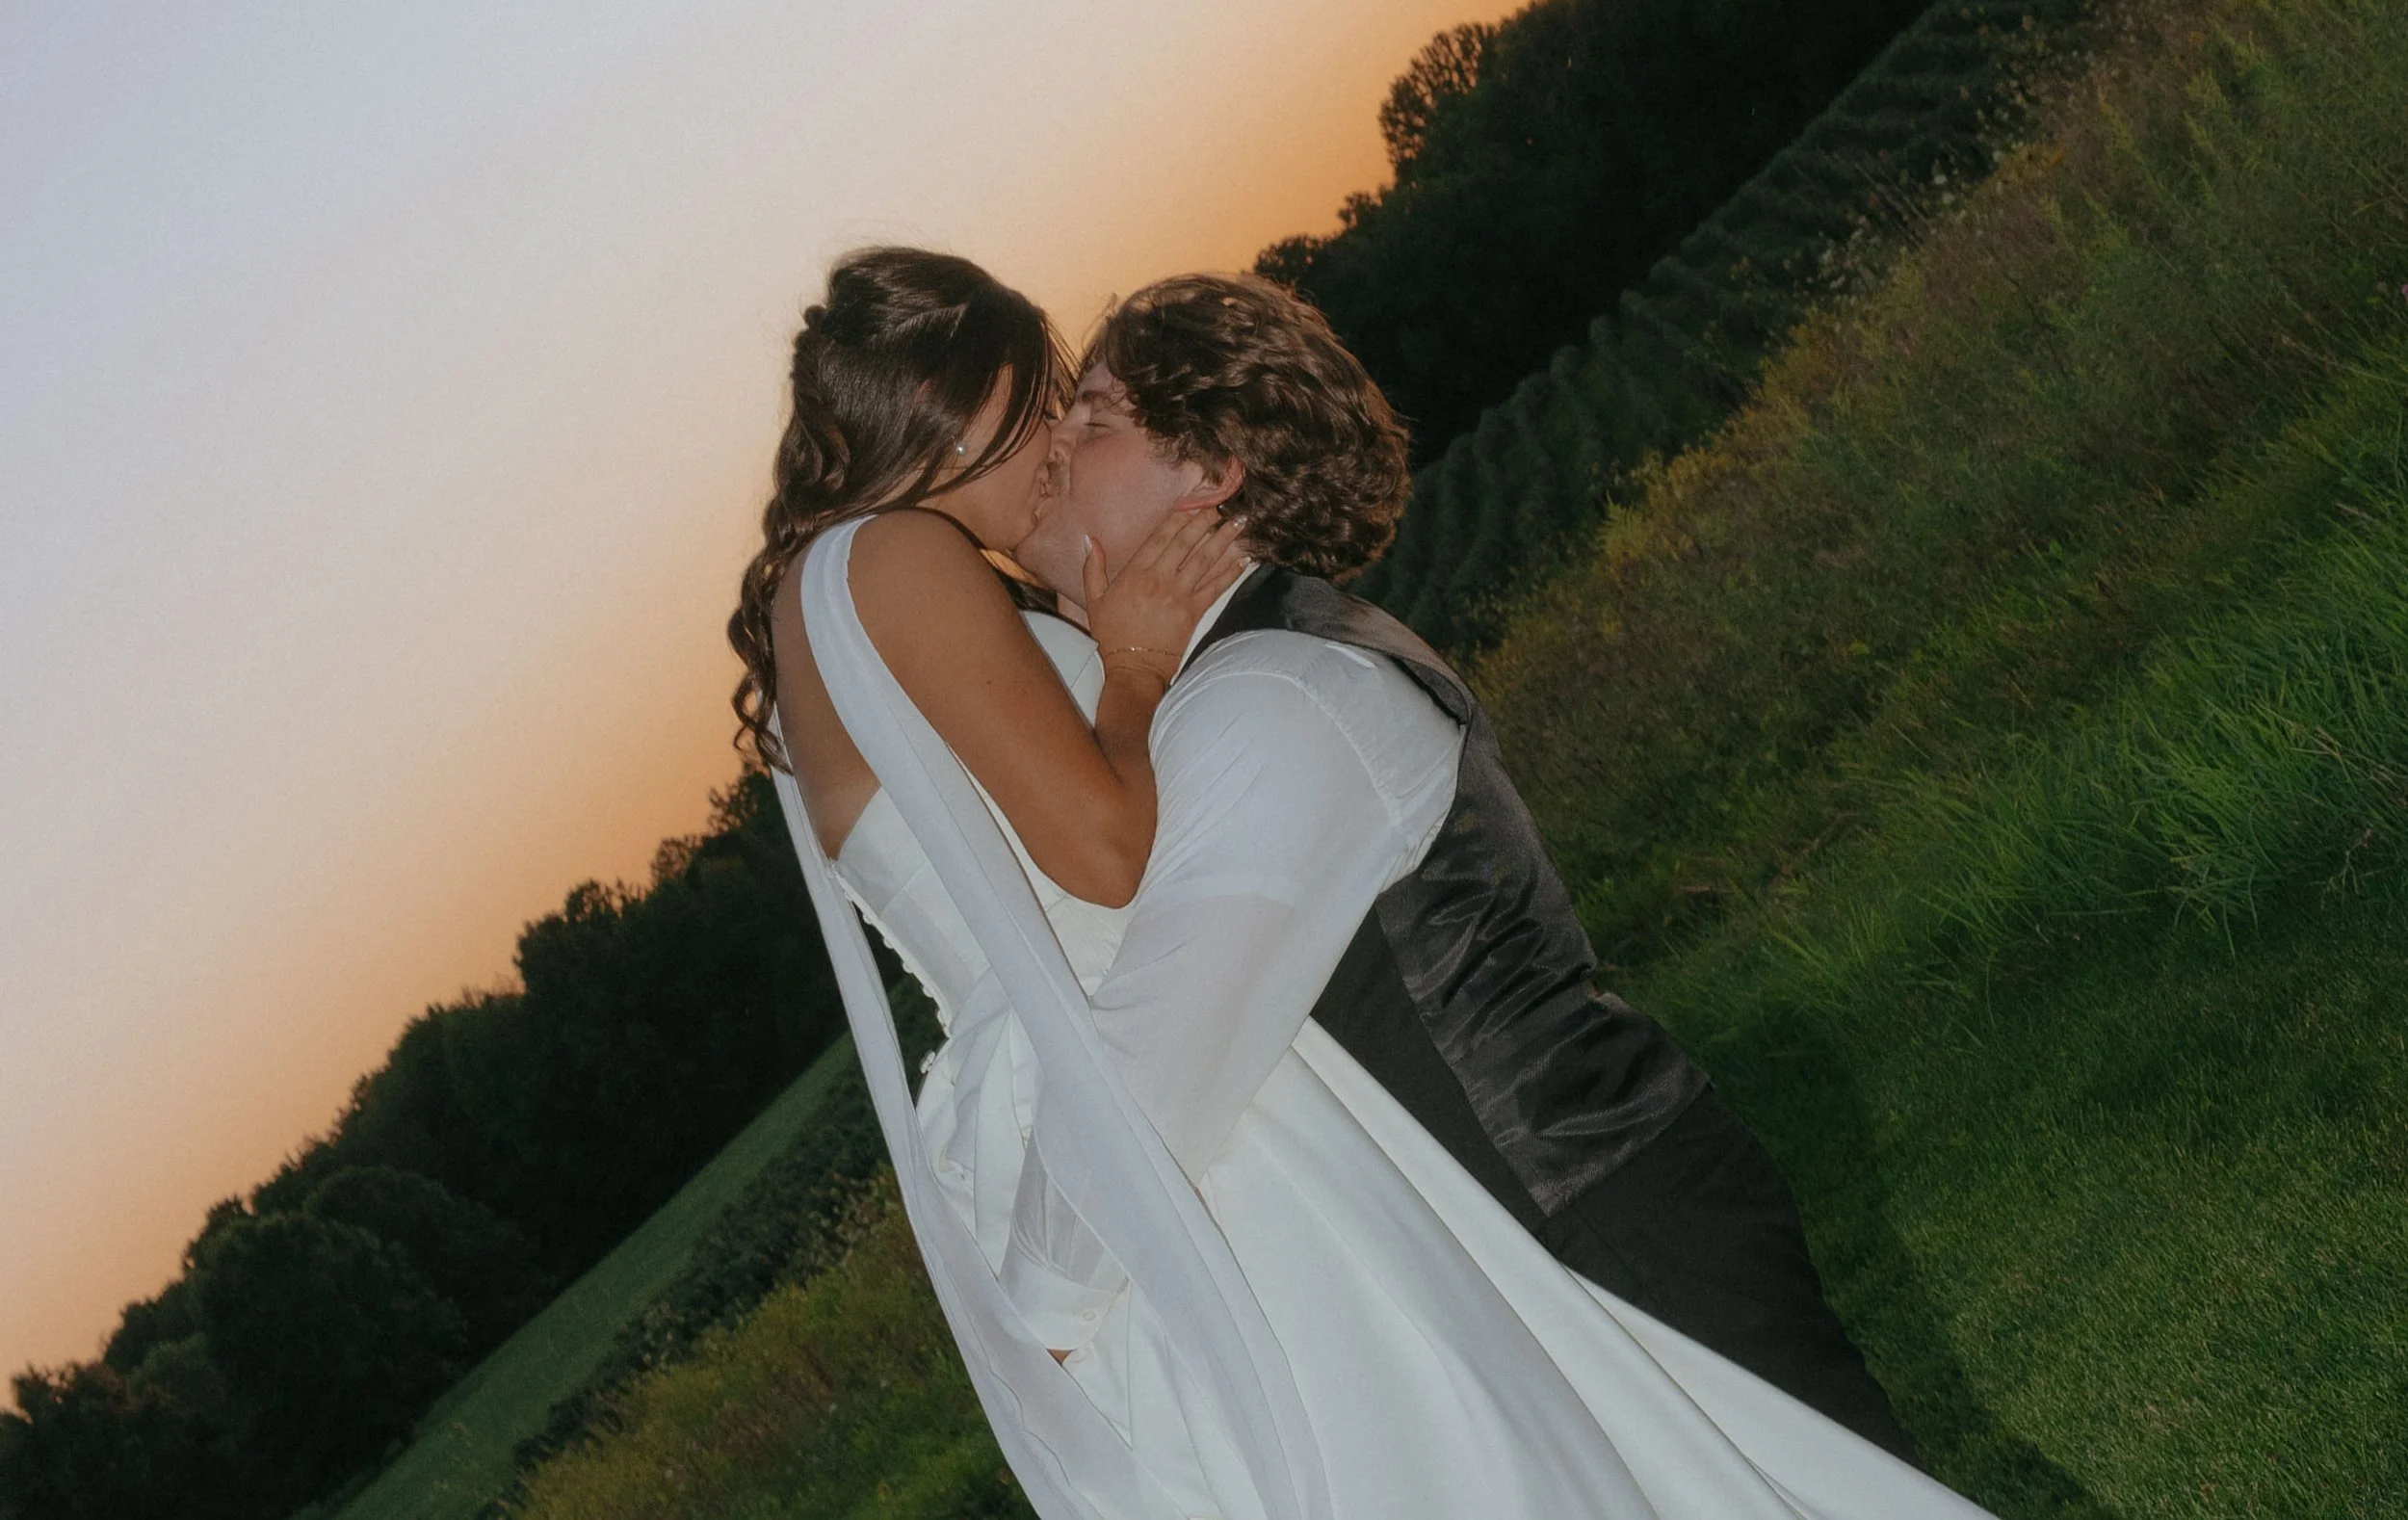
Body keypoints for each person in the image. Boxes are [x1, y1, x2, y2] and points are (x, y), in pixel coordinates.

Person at [733, 248, 1992, 1520]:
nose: (1056, 450)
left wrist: (1046, 1313)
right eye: (1036, 420)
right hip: (1147, 1133)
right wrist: (1128, 664)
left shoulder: (1262, 690)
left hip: (1536, 1203)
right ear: (931, 417)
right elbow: (1115, 880)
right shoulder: (917, 574)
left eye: (1088, 420)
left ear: (1209, 481)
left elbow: (1137, 950)